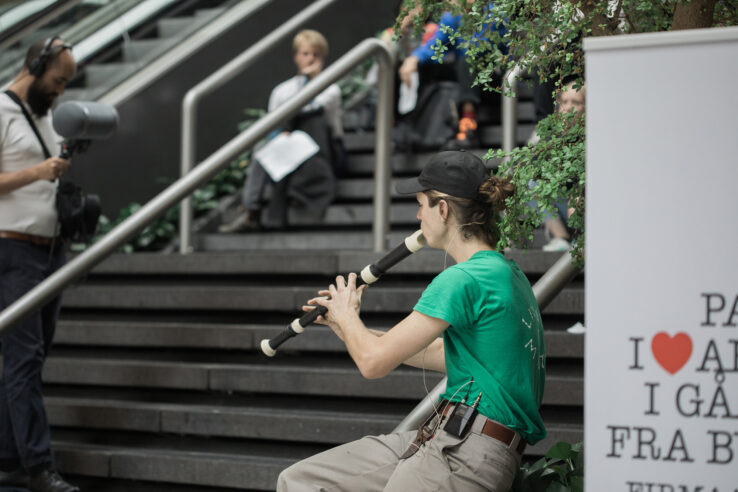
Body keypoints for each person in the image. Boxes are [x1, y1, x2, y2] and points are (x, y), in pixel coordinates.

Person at [277, 150, 546, 491]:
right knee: (300, 481)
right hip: (449, 436)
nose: (419, 216)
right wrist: (345, 326)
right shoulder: (507, 273)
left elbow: (373, 364)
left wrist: (349, 315)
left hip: (467, 452)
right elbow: (437, 353)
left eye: (422, 205)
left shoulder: (463, 279)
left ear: (443, 209)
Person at [0, 37, 80, 492]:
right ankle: (37, 466)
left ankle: (10, 456)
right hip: (12, 252)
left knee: (28, 358)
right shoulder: (1, 109)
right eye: (56, 81)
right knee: (24, 358)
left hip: (50, 252)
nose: (60, 92)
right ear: (35, 66)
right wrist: (36, 172)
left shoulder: (45, 117)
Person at [219, 29, 344, 232]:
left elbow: (315, 110)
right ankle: (251, 209)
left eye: (315, 54)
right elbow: (273, 123)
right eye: (305, 53)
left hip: (322, 147)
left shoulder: (331, 88)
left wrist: (308, 80)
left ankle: (252, 211)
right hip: (289, 144)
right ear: (296, 56)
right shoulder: (281, 90)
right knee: (264, 145)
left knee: (309, 124)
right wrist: (281, 134)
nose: (310, 58)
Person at [398, 3, 506, 148]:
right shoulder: (452, 16)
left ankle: (468, 125)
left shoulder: (495, 12)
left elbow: (482, 47)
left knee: (469, 59)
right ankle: (405, 127)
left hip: (495, 80)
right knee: (415, 65)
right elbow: (435, 46)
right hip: (466, 77)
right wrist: (414, 58)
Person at [540, 79, 585, 252]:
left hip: (589, 210)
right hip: (566, 208)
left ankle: (582, 239)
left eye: (576, 102)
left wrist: (579, 190)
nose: (567, 107)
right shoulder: (553, 137)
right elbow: (539, 169)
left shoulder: (596, 136)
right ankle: (561, 237)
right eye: (564, 102)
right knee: (531, 183)